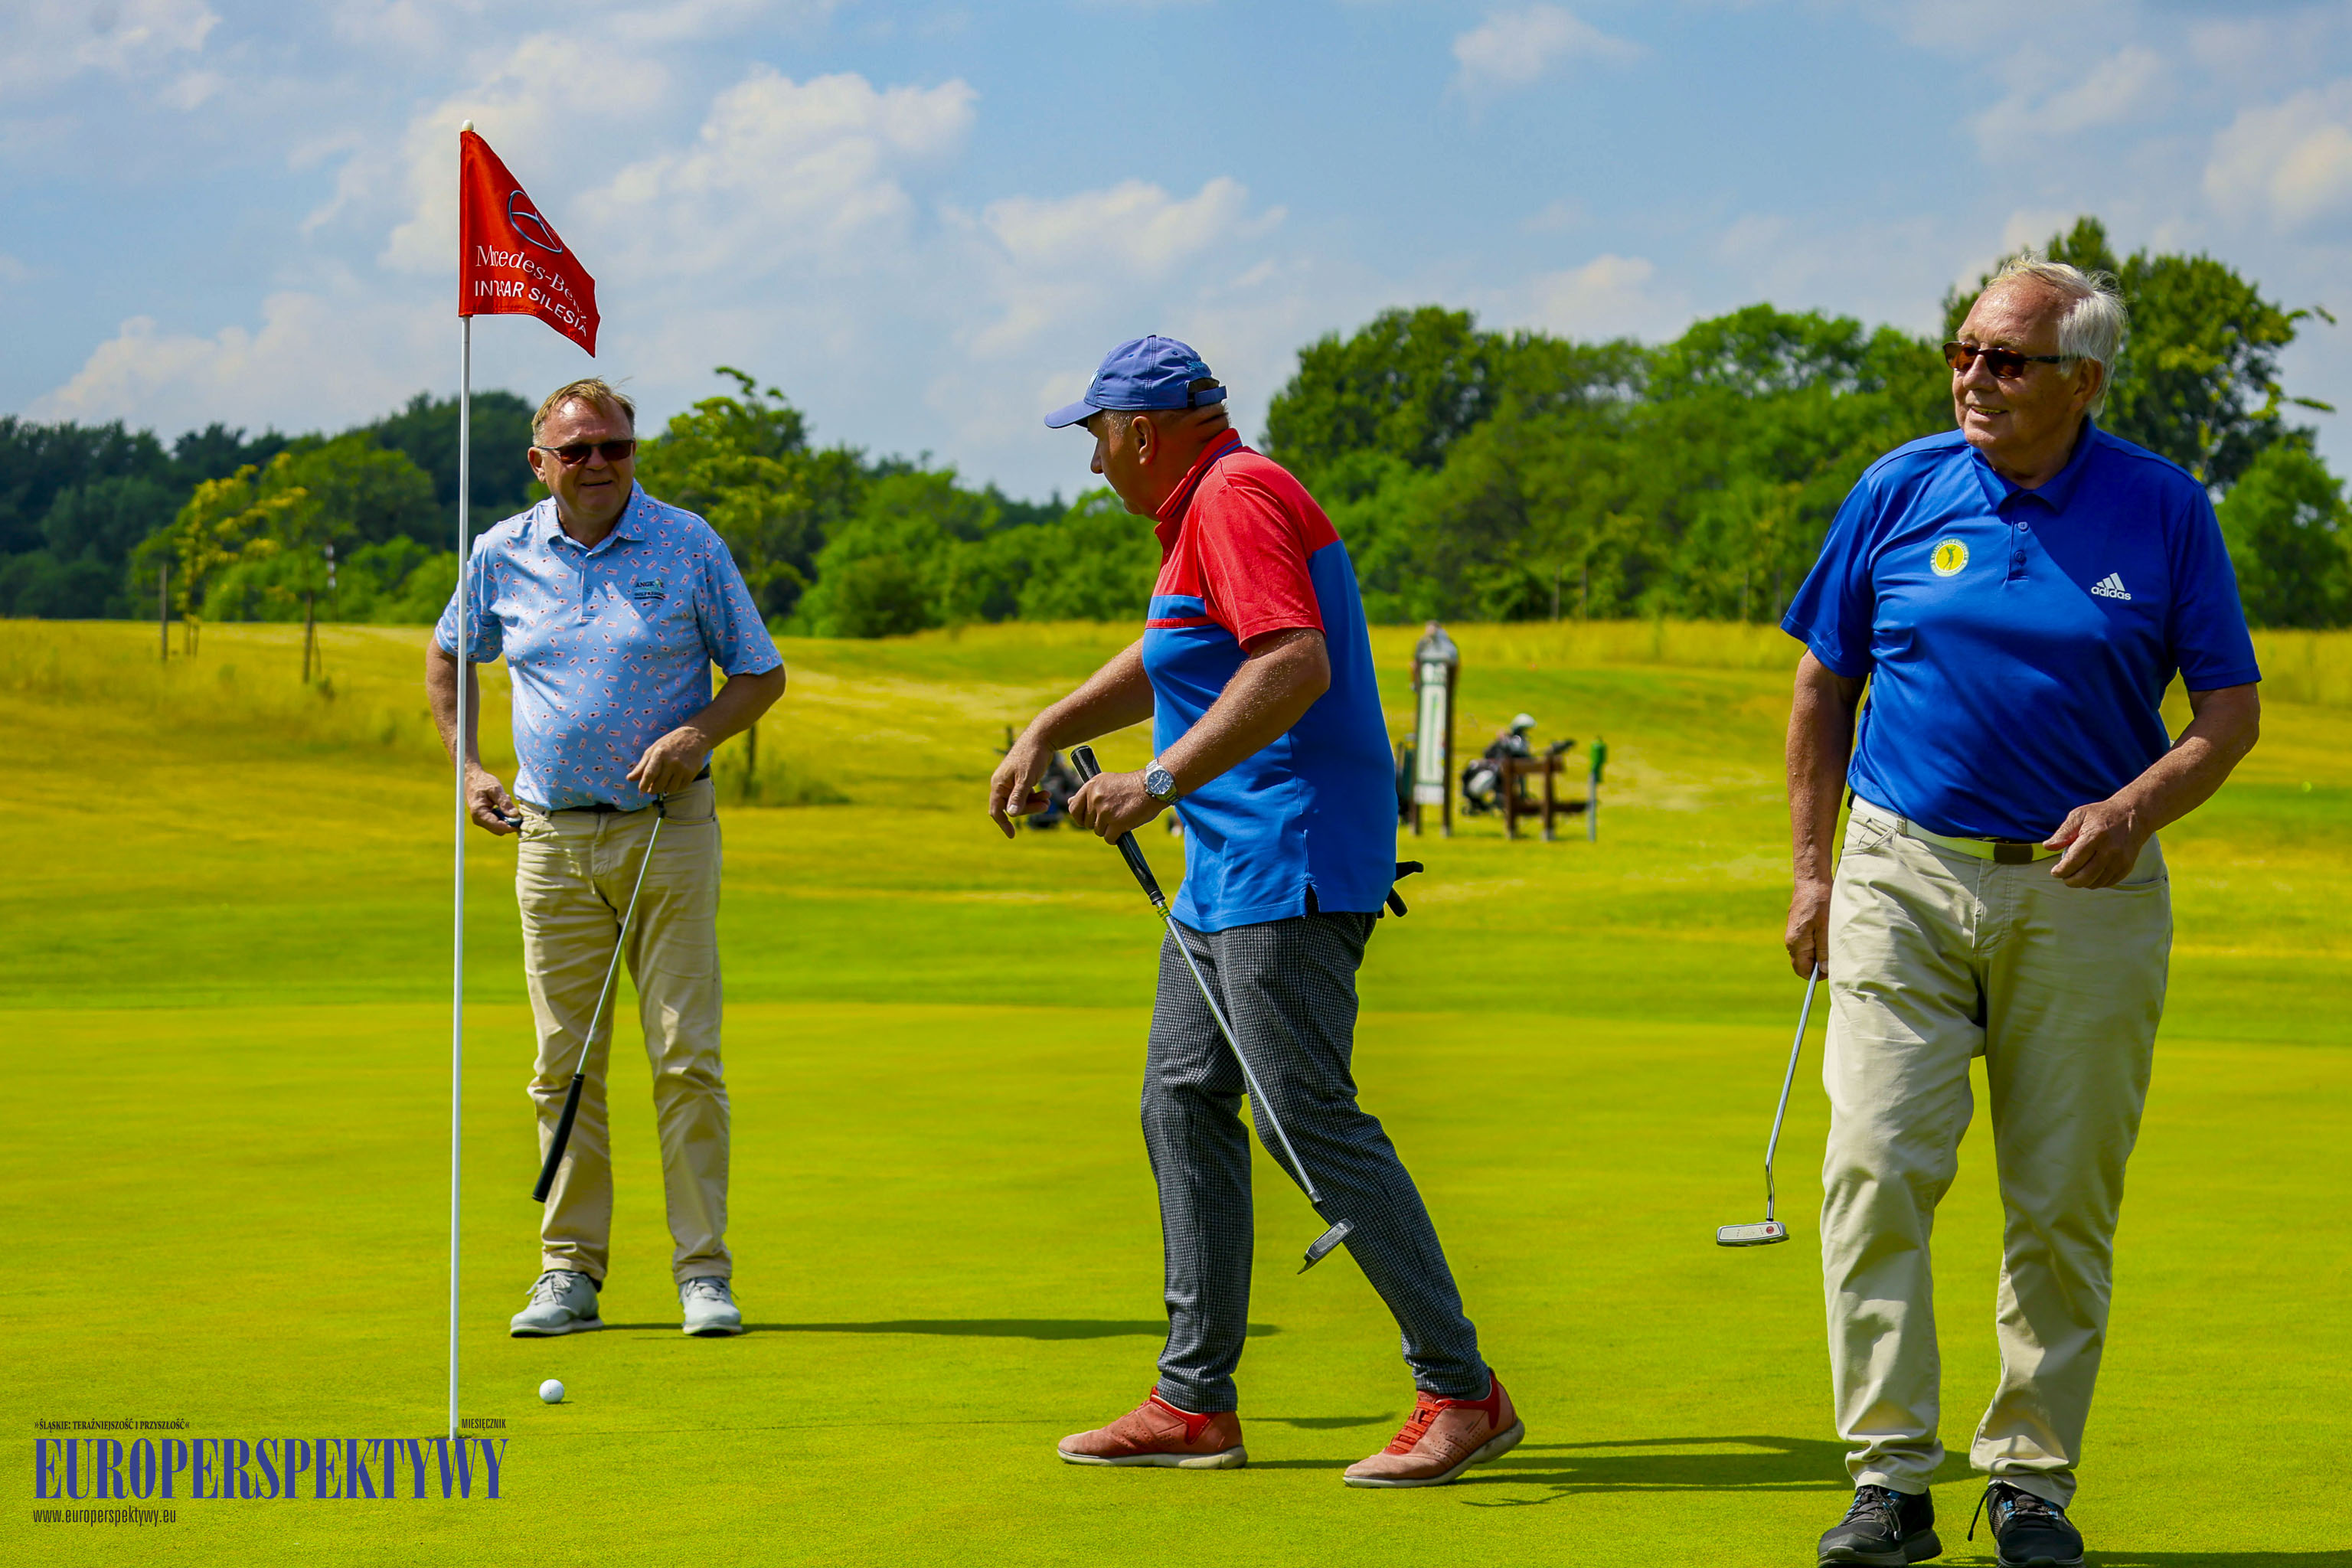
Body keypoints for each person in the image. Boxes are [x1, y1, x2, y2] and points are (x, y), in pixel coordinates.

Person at [1780, 257, 2261, 1568]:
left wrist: (2135, 808)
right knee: (1871, 1167)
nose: (1973, 378)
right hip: (1902, 871)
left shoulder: (2163, 509)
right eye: (1964, 351)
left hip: (2085, 889)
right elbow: (1824, 683)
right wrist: (1813, 872)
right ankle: (1889, 1480)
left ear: (2082, 381)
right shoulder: (1898, 485)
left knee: (2058, 1201)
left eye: (2006, 359)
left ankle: (2030, 1482)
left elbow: (2227, 714)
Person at [988, 335, 1519, 1487]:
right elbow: (1173, 656)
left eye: (1095, 440)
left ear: (1142, 430)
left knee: (1303, 1116)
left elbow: (1292, 664)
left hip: (1293, 854)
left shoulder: (1236, 496)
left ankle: (1461, 1389)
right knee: (1181, 1098)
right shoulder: (1198, 515)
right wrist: (1048, 725)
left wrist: (1159, 780)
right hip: (1228, 869)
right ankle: (1194, 1402)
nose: (1093, 468)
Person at [426, 377, 787, 1341]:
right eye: (577, 449)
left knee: (685, 1057)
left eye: (615, 448)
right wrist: (468, 769)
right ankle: (568, 1273)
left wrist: (695, 734)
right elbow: (452, 653)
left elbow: (760, 671)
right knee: (561, 1066)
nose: (598, 464)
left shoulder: (688, 542)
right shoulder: (501, 551)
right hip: (547, 835)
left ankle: (703, 1274)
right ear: (540, 461)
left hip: (668, 828)